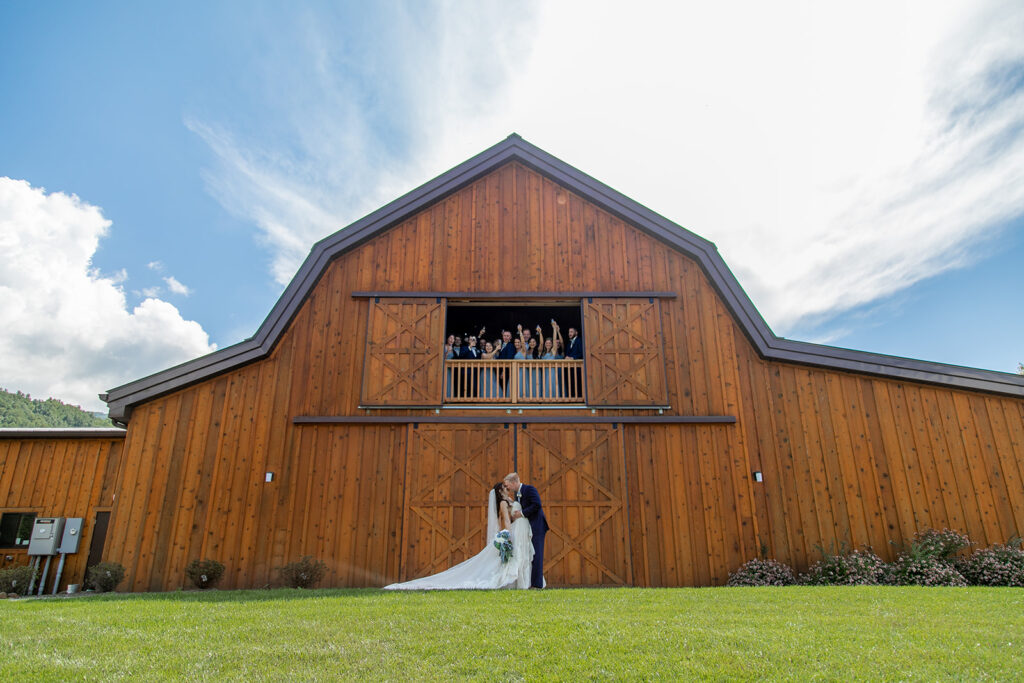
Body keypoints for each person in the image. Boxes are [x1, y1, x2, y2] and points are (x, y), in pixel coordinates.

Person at [382, 482, 533, 590]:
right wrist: (507, 536)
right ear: (500, 492)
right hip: (509, 534)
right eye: (505, 488)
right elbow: (506, 520)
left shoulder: (509, 501)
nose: (508, 489)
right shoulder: (503, 503)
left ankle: (514, 582)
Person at [504, 472, 549, 588]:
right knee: (531, 554)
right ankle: (532, 582)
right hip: (528, 528)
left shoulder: (529, 489)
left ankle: (537, 585)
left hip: (537, 526)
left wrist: (522, 513)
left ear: (514, 482)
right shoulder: (518, 495)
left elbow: (537, 504)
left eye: (508, 485)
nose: (507, 488)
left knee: (537, 554)